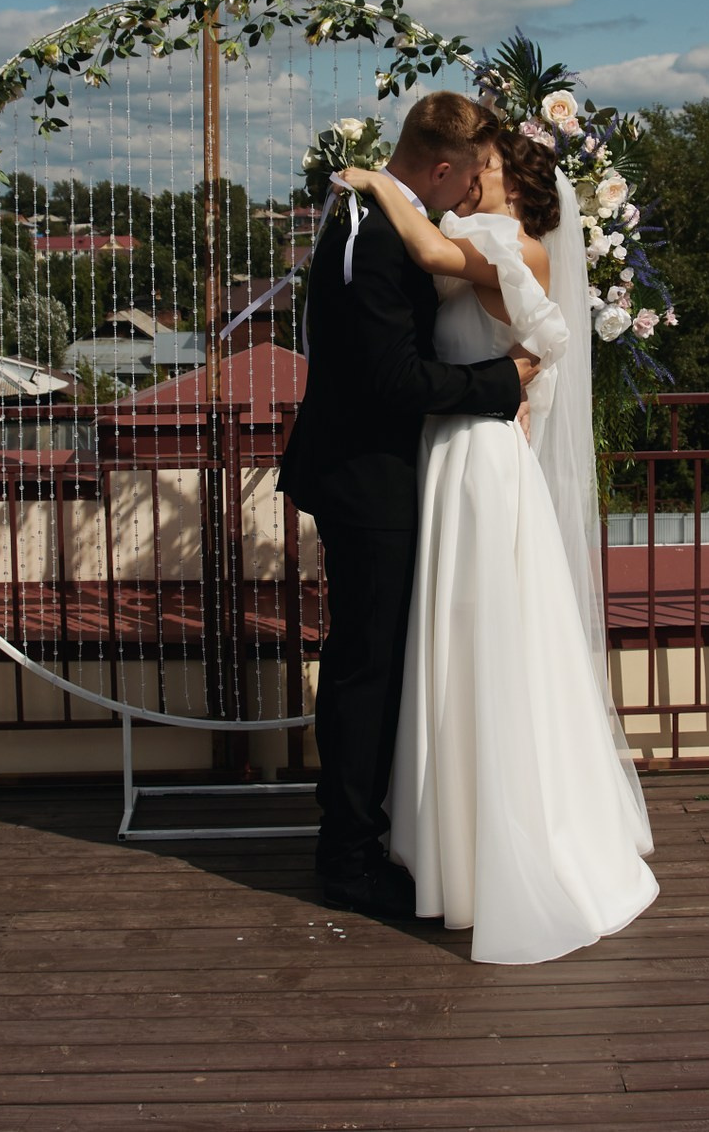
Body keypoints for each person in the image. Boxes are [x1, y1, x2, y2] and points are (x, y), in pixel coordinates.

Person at [335, 122, 657, 964]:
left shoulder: (506, 246)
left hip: (475, 457)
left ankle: (484, 852)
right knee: (454, 643)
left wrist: (377, 182)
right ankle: (448, 843)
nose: (472, 176)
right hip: (451, 448)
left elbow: (435, 259)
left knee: (481, 646)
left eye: (485, 165)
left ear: (510, 176)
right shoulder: (478, 233)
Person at [278, 92, 540, 920]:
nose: (472, 190)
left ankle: (379, 834)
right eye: (470, 174)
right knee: (367, 667)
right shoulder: (375, 232)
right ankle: (348, 857)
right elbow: (393, 380)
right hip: (369, 480)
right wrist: (506, 382)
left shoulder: (379, 215)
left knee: (385, 661)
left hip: (385, 470)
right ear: (439, 168)